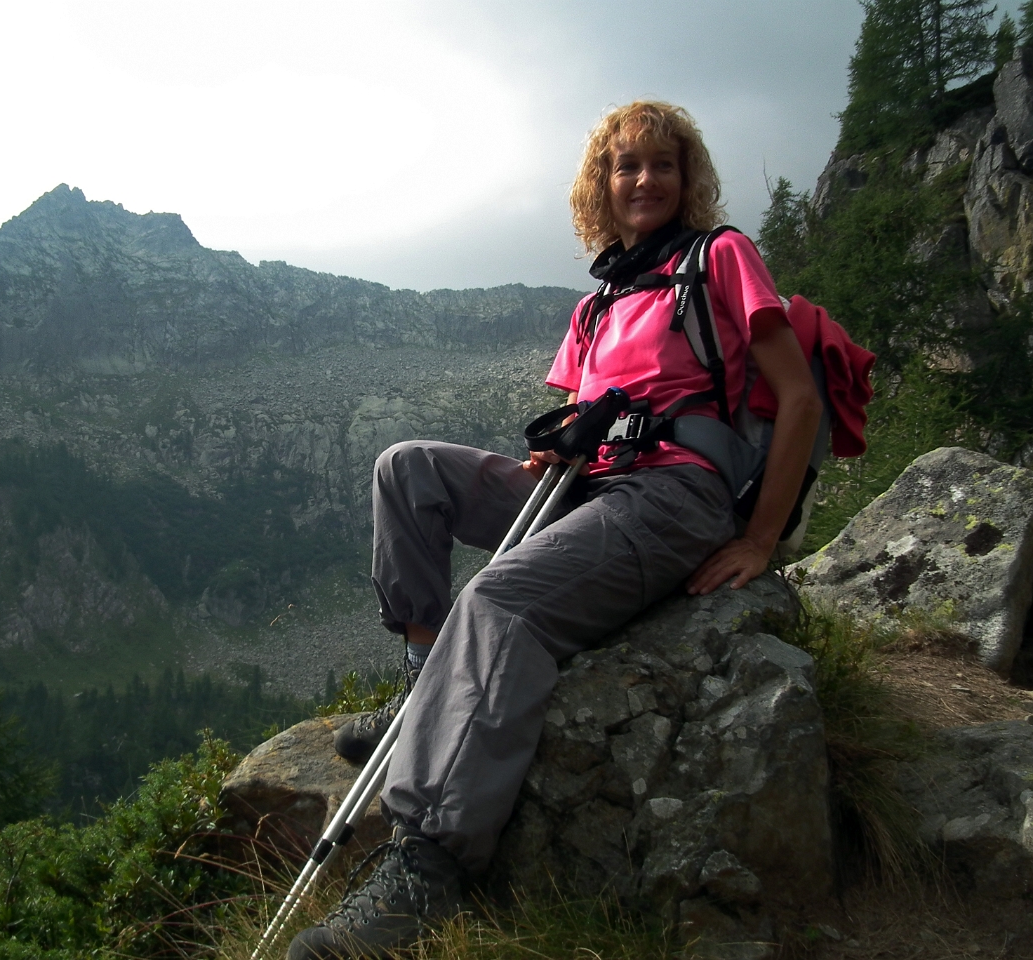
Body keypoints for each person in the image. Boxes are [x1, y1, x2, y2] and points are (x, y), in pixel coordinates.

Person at [290, 100, 822, 960]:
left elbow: (796, 398)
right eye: (625, 165)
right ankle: (426, 683)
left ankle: (428, 862)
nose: (644, 179)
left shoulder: (720, 256)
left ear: (687, 180)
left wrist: (759, 540)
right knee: (407, 467)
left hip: (675, 497)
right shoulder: (600, 301)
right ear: (601, 185)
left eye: (662, 164)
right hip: (589, 487)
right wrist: (561, 450)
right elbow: (579, 417)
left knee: (502, 602)